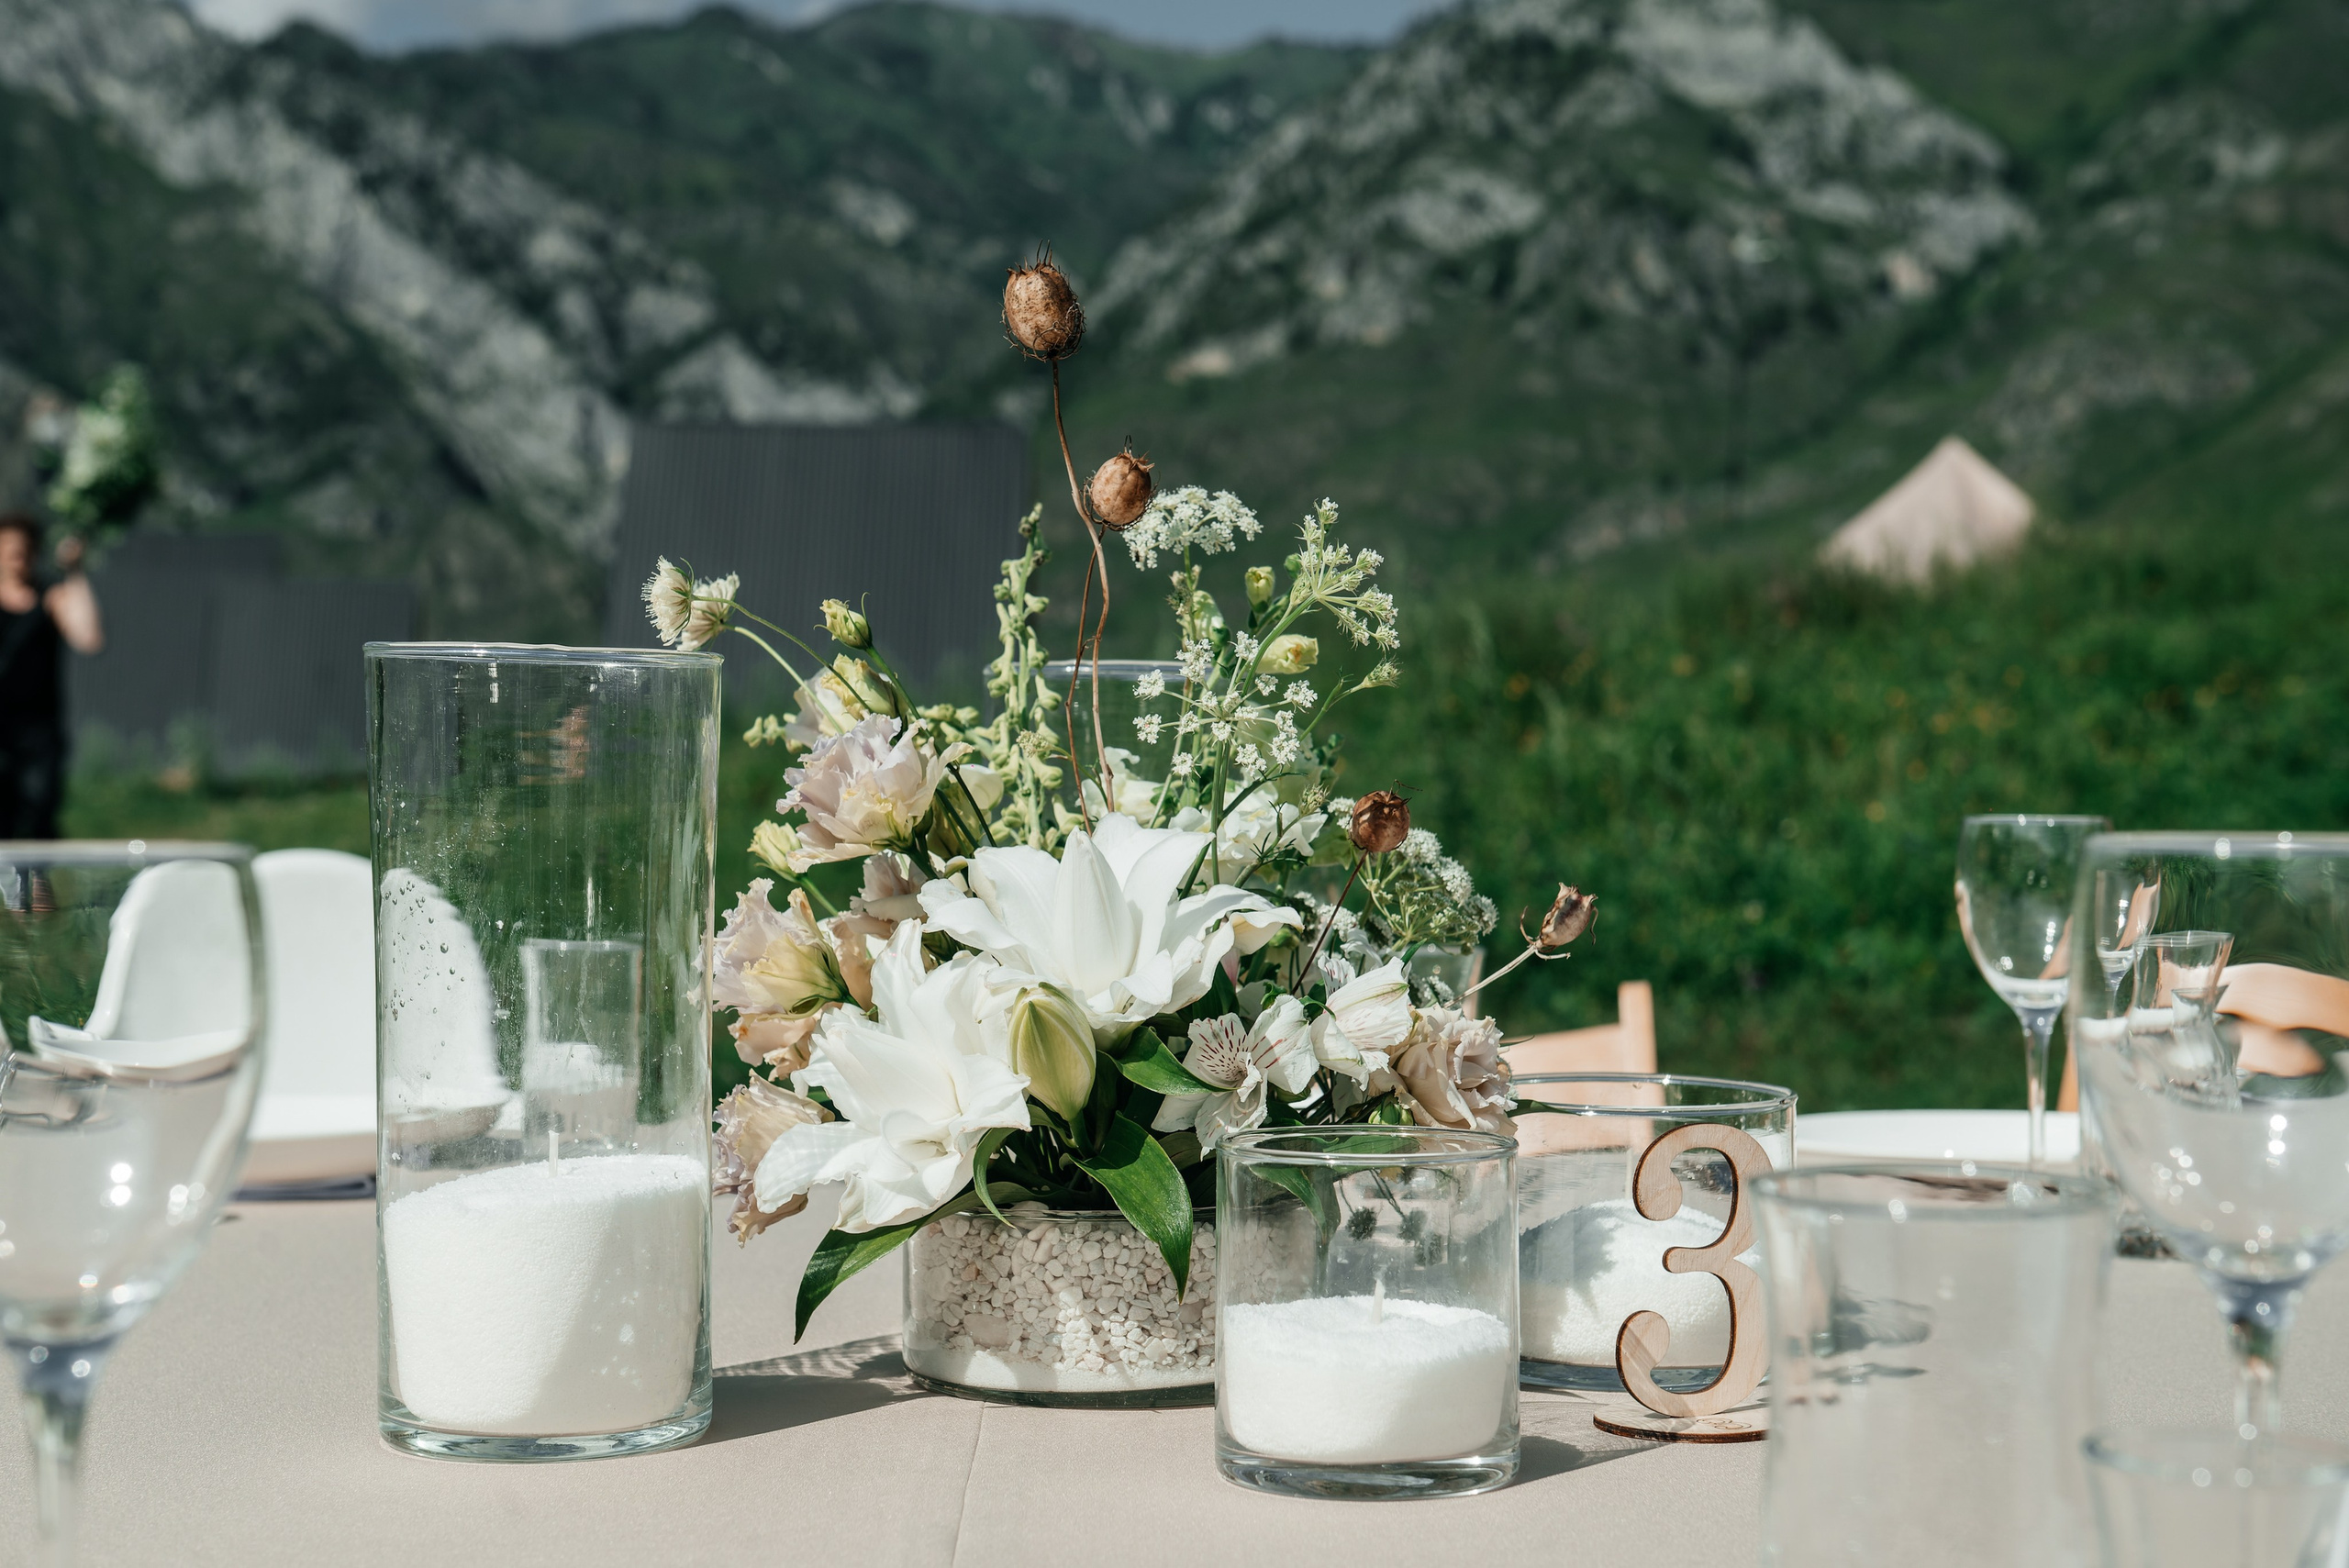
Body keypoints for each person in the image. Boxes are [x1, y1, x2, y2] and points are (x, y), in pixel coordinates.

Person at [0, 515, 103, 839]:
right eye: (9, 547)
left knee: (38, 815)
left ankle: (37, 874)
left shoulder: (51, 596)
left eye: (24, 548)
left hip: (37, 730)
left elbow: (88, 638)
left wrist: (74, 571)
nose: (17, 555)